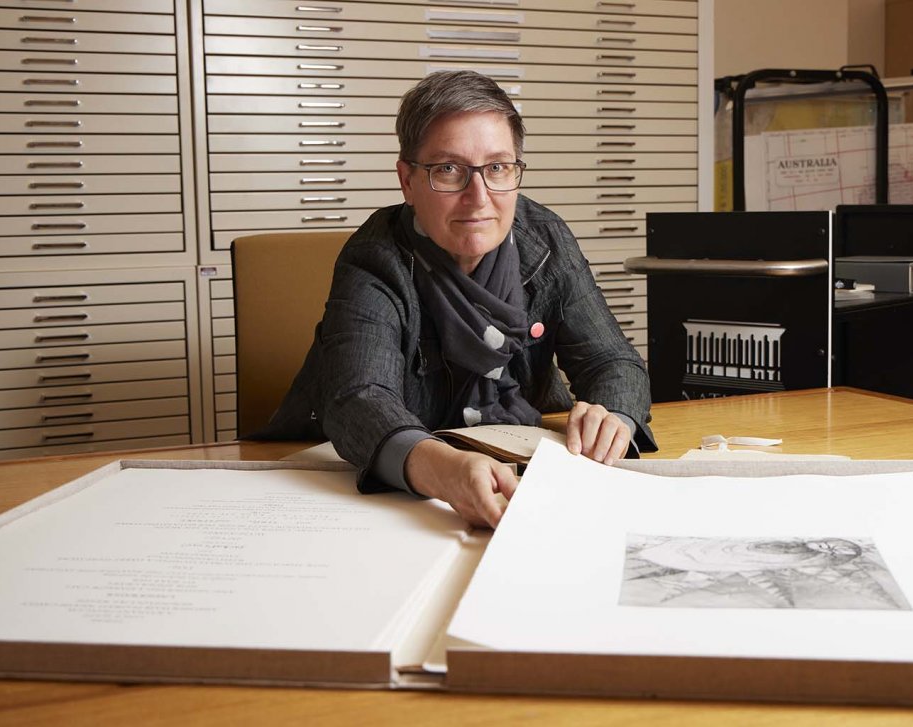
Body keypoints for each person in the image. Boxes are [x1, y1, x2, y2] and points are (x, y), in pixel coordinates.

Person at [261, 70, 656, 526]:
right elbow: (359, 398)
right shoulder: (374, 257)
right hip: (356, 488)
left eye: (497, 168)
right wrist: (443, 470)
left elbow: (614, 363)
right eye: (448, 170)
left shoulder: (545, 239)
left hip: (516, 469)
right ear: (407, 180)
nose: (479, 197)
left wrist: (615, 417)